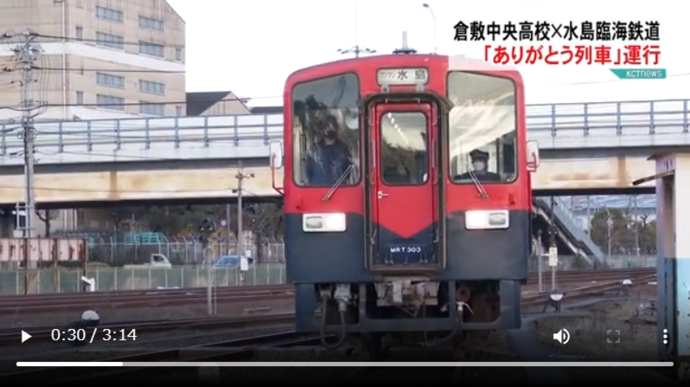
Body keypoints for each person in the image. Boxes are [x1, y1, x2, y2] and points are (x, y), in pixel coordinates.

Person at [305, 115, 353, 186]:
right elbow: (308, 173)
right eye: (327, 127)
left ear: (336, 129)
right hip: (317, 191)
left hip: (340, 191)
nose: (330, 129)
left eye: (332, 127)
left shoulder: (344, 150)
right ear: (322, 129)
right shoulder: (314, 151)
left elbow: (349, 172)